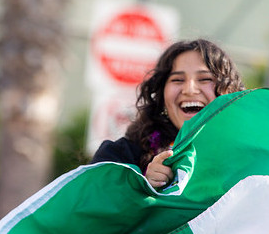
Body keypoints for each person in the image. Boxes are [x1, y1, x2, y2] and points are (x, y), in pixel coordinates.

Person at [91, 38, 245, 187]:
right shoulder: (120, 157)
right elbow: (92, 205)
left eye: (204, 79)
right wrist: (142, 188)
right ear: (161, 95)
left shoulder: (246, 160)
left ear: (228, 92)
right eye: (177, 80)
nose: (189, 90)